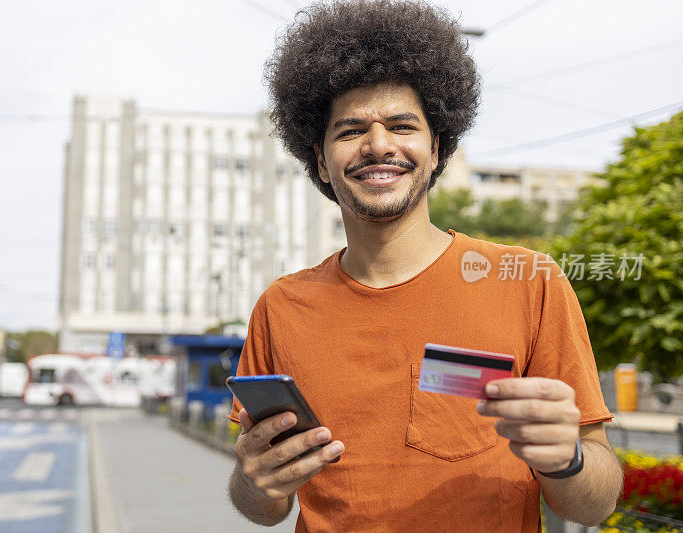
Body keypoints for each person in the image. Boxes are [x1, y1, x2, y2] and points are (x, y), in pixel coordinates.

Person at [226, 1, 623, 531]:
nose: (379, 145)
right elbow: (265, 508)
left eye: (402, 125)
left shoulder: (528, 282)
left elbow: (593, 505)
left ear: (437, 148)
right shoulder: (281, 306)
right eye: (349, 131)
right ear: (320, 160)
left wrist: (567, 459)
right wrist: (254, 482)